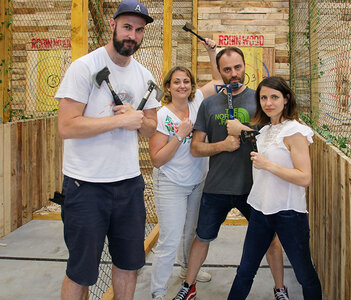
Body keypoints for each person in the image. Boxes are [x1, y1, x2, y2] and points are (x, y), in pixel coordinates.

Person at [55, 1, 160, 299]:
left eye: (139, 30)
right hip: (85, 185)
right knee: (81, 270)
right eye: (127, 27)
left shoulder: (144, 75)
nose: (133, 36)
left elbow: (151, 126)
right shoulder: (84, 67)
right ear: (113, 25)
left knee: (128, 265)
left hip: (128, 184)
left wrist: (137, 121)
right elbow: (67, 126)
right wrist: (117, 122)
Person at [172, 47, 288, 300]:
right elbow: (196, 148)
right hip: (217, 187)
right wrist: (222, 145)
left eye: (237, 67)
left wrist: (243, 130)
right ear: (220, 72)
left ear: (245, 66)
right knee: (202, 238)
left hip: (254, 187)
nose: (233, 73)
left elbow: (275, 140)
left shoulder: (262, 99)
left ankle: (280, 289)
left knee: (271, 240)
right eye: (227, 69)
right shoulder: (209, 104)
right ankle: (188, 286)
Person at [227, 76, 322, 299]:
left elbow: (304, 177)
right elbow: (250, 133)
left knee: (304, 275)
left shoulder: (295, 132)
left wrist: (268, 164)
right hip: (260, 210)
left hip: (289, 213)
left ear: (286, 99)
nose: (268, 103)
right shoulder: (266, 131)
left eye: (274, 97)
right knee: (245, 272)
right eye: (263, 98)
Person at [148, 38, 221, 300]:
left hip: (197, 181)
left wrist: (212, 53)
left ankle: (186, 271)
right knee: (169, 240)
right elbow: (157, 159)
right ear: (168, 87)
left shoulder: (197, 101)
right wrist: (179, 136)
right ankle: (157, 291)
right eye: (177, 82)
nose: (182, 85)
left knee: (192, 232)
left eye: (186, 81)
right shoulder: (161, 116)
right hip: (171, 182)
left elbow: (218, 82)